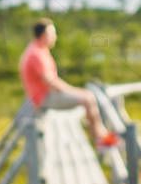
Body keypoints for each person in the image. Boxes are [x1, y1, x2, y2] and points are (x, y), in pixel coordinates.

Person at [18, 17, 121, 149]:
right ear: (44, 35)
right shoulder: (36, 54)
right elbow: (51, 82)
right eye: (53, 33)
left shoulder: (37, 49)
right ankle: (100, 139)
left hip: (42, 95)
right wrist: (74, 91)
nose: (55, 37)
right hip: (43, 98)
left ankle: (99, 134)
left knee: (87, 97)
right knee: (88, 98)